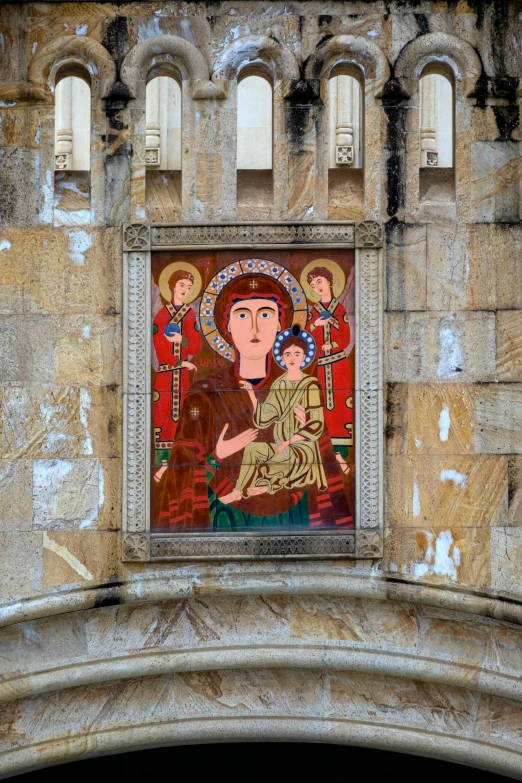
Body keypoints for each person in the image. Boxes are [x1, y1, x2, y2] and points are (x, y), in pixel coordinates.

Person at [153, 272, 353, 531]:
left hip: (292, 523)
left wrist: (306, 438)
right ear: (227, 327)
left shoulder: (298, 388)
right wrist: (217, 456)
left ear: (280, 326)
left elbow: (323, 485)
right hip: (222, 522)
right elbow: (180, 484)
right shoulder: (202, 395)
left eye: (266, 314)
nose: (255, 328)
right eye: (243, 315)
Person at [221, 327, 327, 503]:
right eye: (287, 354)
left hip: (301, 448)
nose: (292, 359)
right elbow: (265, 417)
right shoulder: (279, 384)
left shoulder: (310, 386)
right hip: (280, 444)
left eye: (297, 354)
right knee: (252, 449)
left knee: (284, 459)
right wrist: (251, 395)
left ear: (304, 357)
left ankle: (270, 485)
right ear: (282, 358)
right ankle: (238, 491)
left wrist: (290, 440)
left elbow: (316, 424)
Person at [152, 270, 200, 464]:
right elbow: (161, 351)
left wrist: (182, 339)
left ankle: (182, 465)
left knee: (184, 419)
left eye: (189, 288)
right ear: (171, 286)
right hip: (165, 377)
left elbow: (195, 346)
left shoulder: (189, 315)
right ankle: (163, 465)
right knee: (162, 419)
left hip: (184, 380)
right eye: (181, 285)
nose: (185, 290)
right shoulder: (162, 315)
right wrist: (181, 363)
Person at [306, 266, 353, 458]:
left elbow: (346, 338)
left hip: (339, 365)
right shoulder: (313, 311)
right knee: (324, 403)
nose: (317, 287)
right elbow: (306, 338)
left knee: (341, 403)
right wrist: (315, 324)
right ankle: (325, 448)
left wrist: (331, 342)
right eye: (313, 285)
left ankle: (342, 448)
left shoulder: (339, 309)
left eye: (319, 281)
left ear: (329, 282)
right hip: (322, 367)